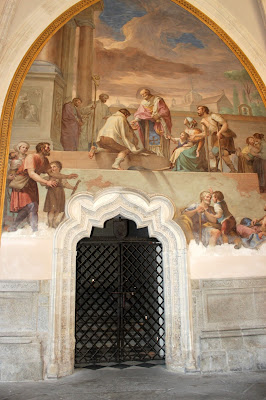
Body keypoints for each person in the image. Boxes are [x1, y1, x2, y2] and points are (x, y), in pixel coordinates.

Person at [8, 142, 78, 232]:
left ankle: (17, 227)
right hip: (22, 184)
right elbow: (31, 173)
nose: (49, 149)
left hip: (32, 184)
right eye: (47, 148)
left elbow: (51, 173)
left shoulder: (45, 160)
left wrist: (67, 176)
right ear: (42, 149)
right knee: (31, 206)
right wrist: (46, 182)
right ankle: (33, 229)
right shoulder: (31, 157)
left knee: (31, 207)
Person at [132, 88, 172, 158]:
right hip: (148, 123)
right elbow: (140, 112)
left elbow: (165, 110)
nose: (143, 96)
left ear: (148, 92)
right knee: (149, 139)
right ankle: (151, 152)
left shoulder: (157, 100)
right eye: (141, 95)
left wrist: (158, 115)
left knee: (158, 137)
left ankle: (160, 153)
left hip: (158, 122)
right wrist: (136, 119)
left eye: (144, 94)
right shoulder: (143, 102)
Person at [197, 105, 237, 172]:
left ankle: (216, 168)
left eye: (199, 109)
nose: (198, 111)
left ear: (204, 110)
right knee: (221, 153)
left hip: (223, 135)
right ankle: (232, 169)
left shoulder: (213, 116)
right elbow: (206, 133)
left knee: (215, 151)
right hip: (214, 137)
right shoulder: (202, 120)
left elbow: (225, 124)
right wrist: (196, 136)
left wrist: (220, 132)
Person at [43, 161, 77, 228]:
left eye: (54, 166)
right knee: (52, 209)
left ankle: (54, 223)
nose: (52, 168)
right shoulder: (49, 176)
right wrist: (48, 182)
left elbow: (65, 184)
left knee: (58, 209)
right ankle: (50, 224)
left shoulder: (62, 176)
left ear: (59, 168)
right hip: (51, 194)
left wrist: (72, 187)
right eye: (51, 167)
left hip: (60, 194)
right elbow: (42, 182)